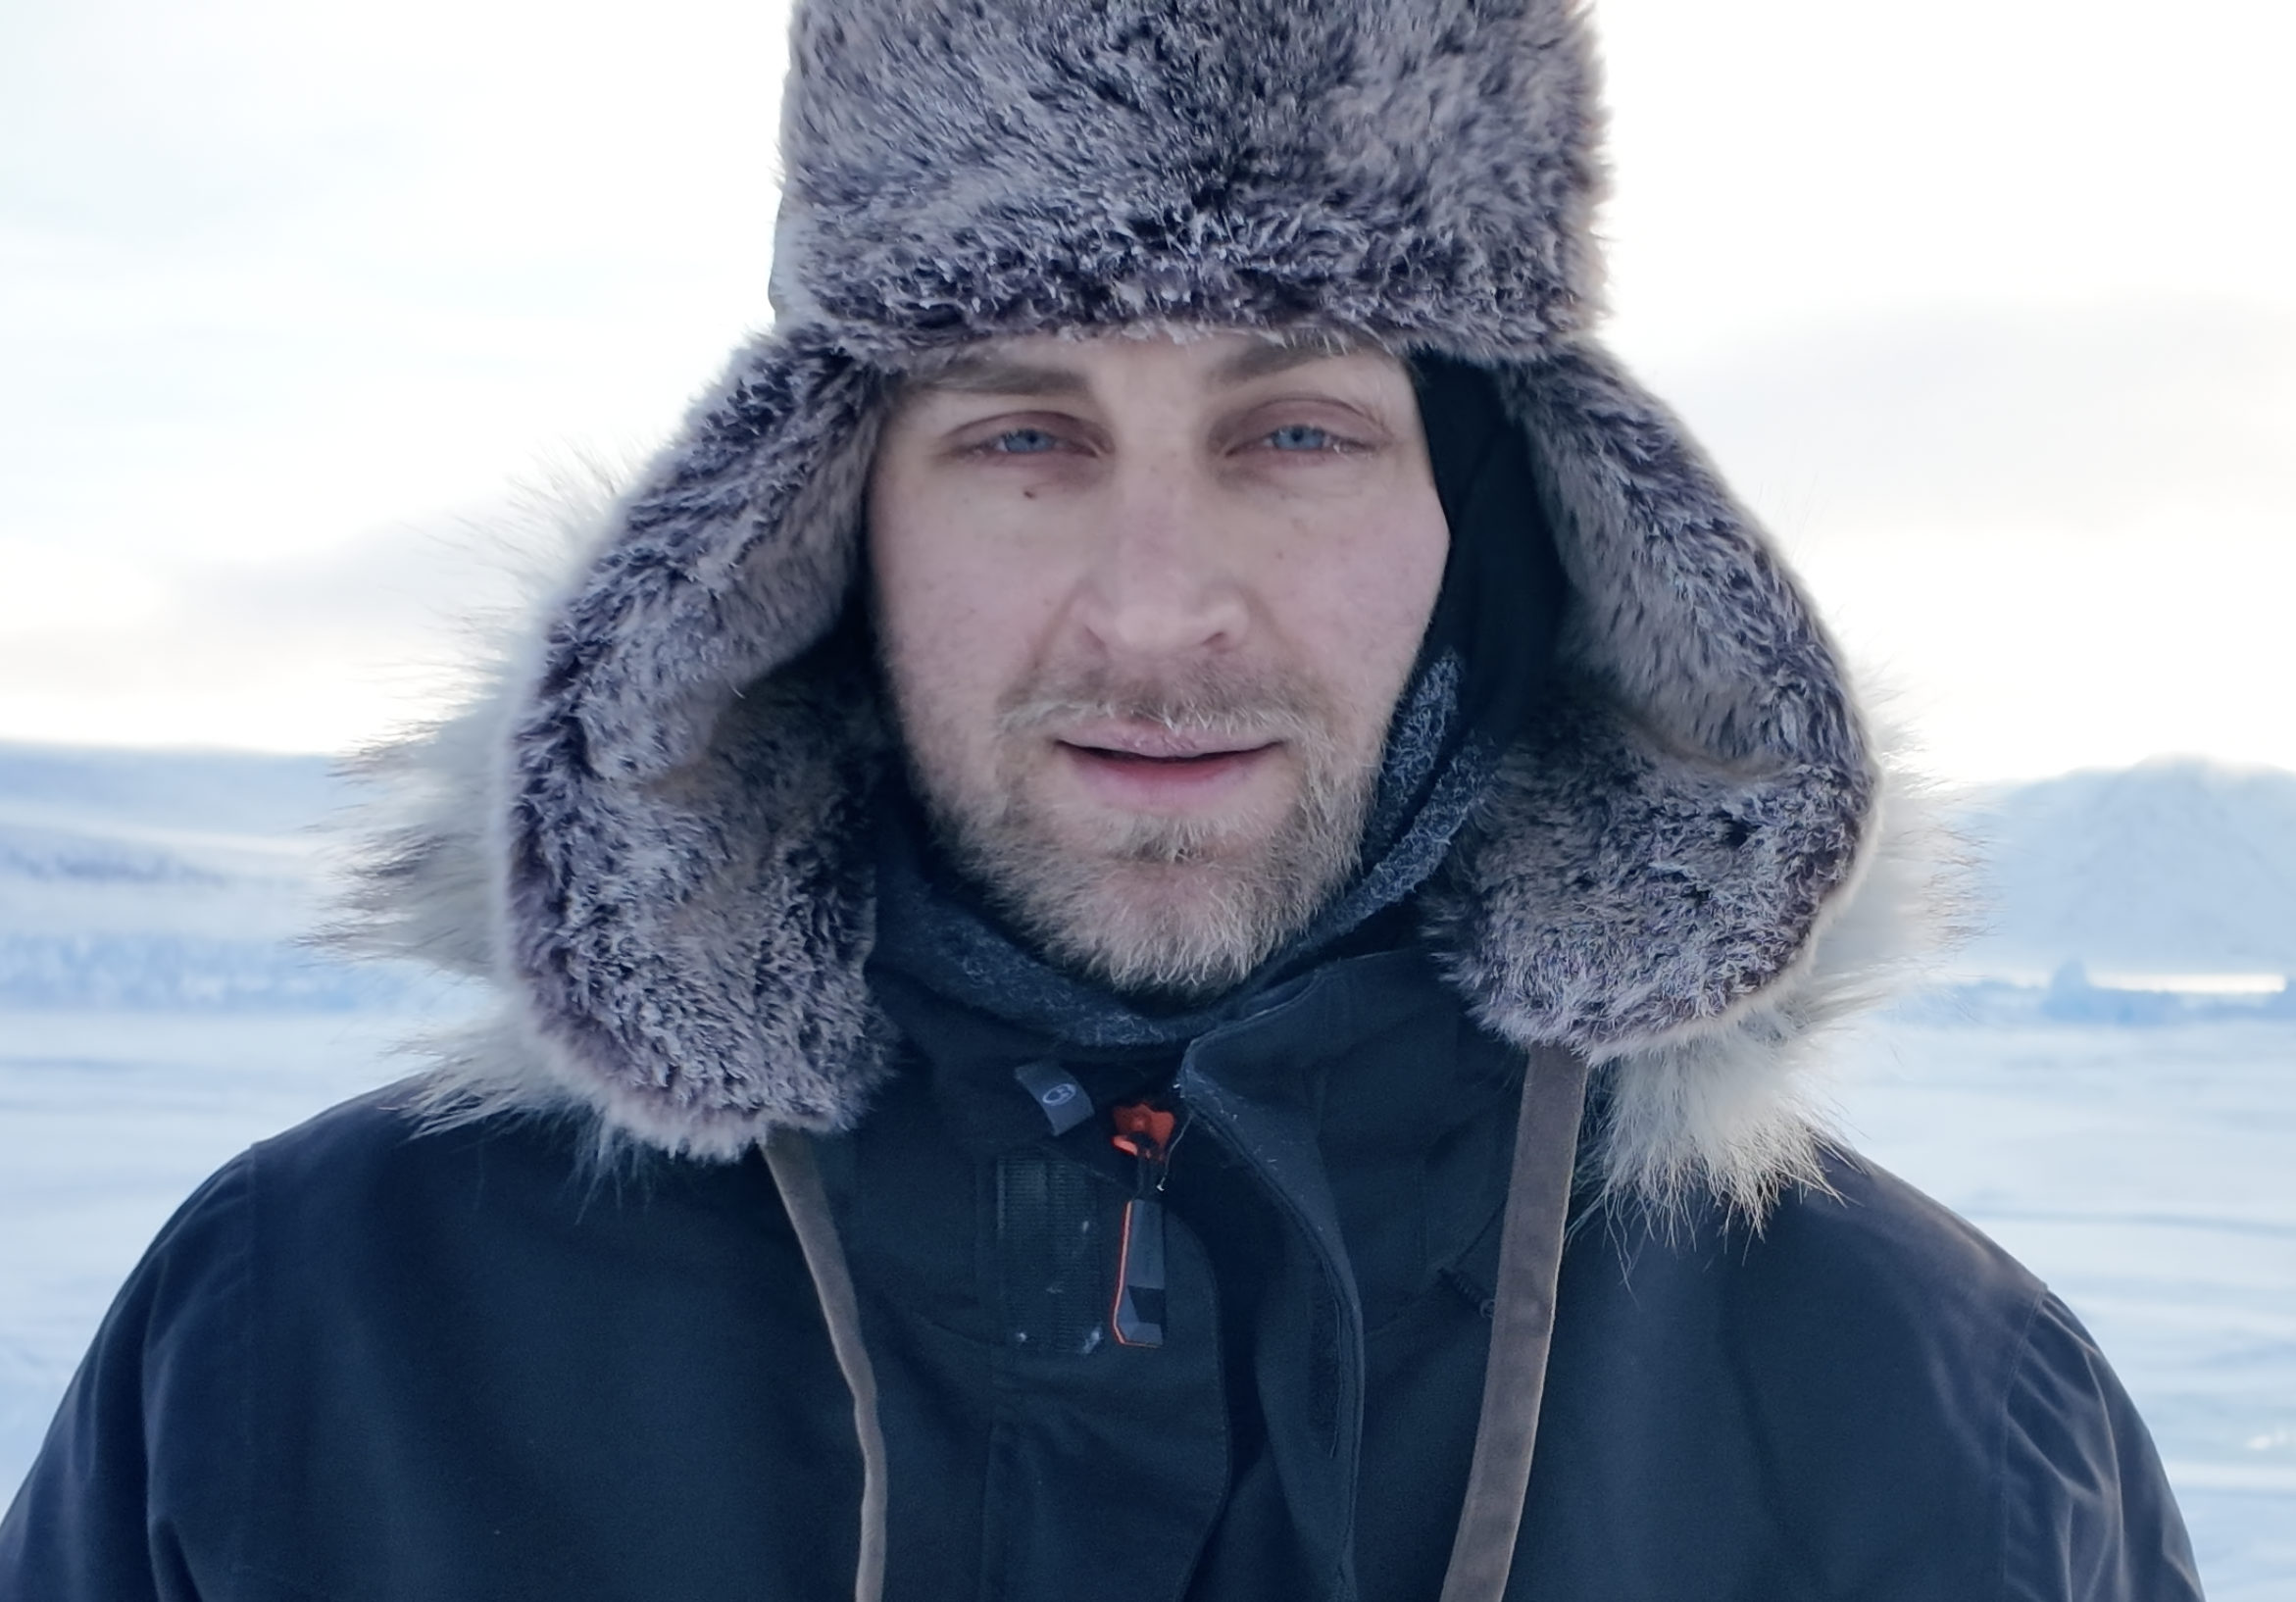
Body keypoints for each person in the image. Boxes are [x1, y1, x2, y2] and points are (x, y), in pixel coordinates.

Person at [0, 2, 2202, 1598]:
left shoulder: (1937, 1419)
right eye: (1021, 436)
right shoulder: (317, 1337)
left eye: (1297, 433)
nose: (1155, 612)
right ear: (822, 526)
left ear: (1498, 527)